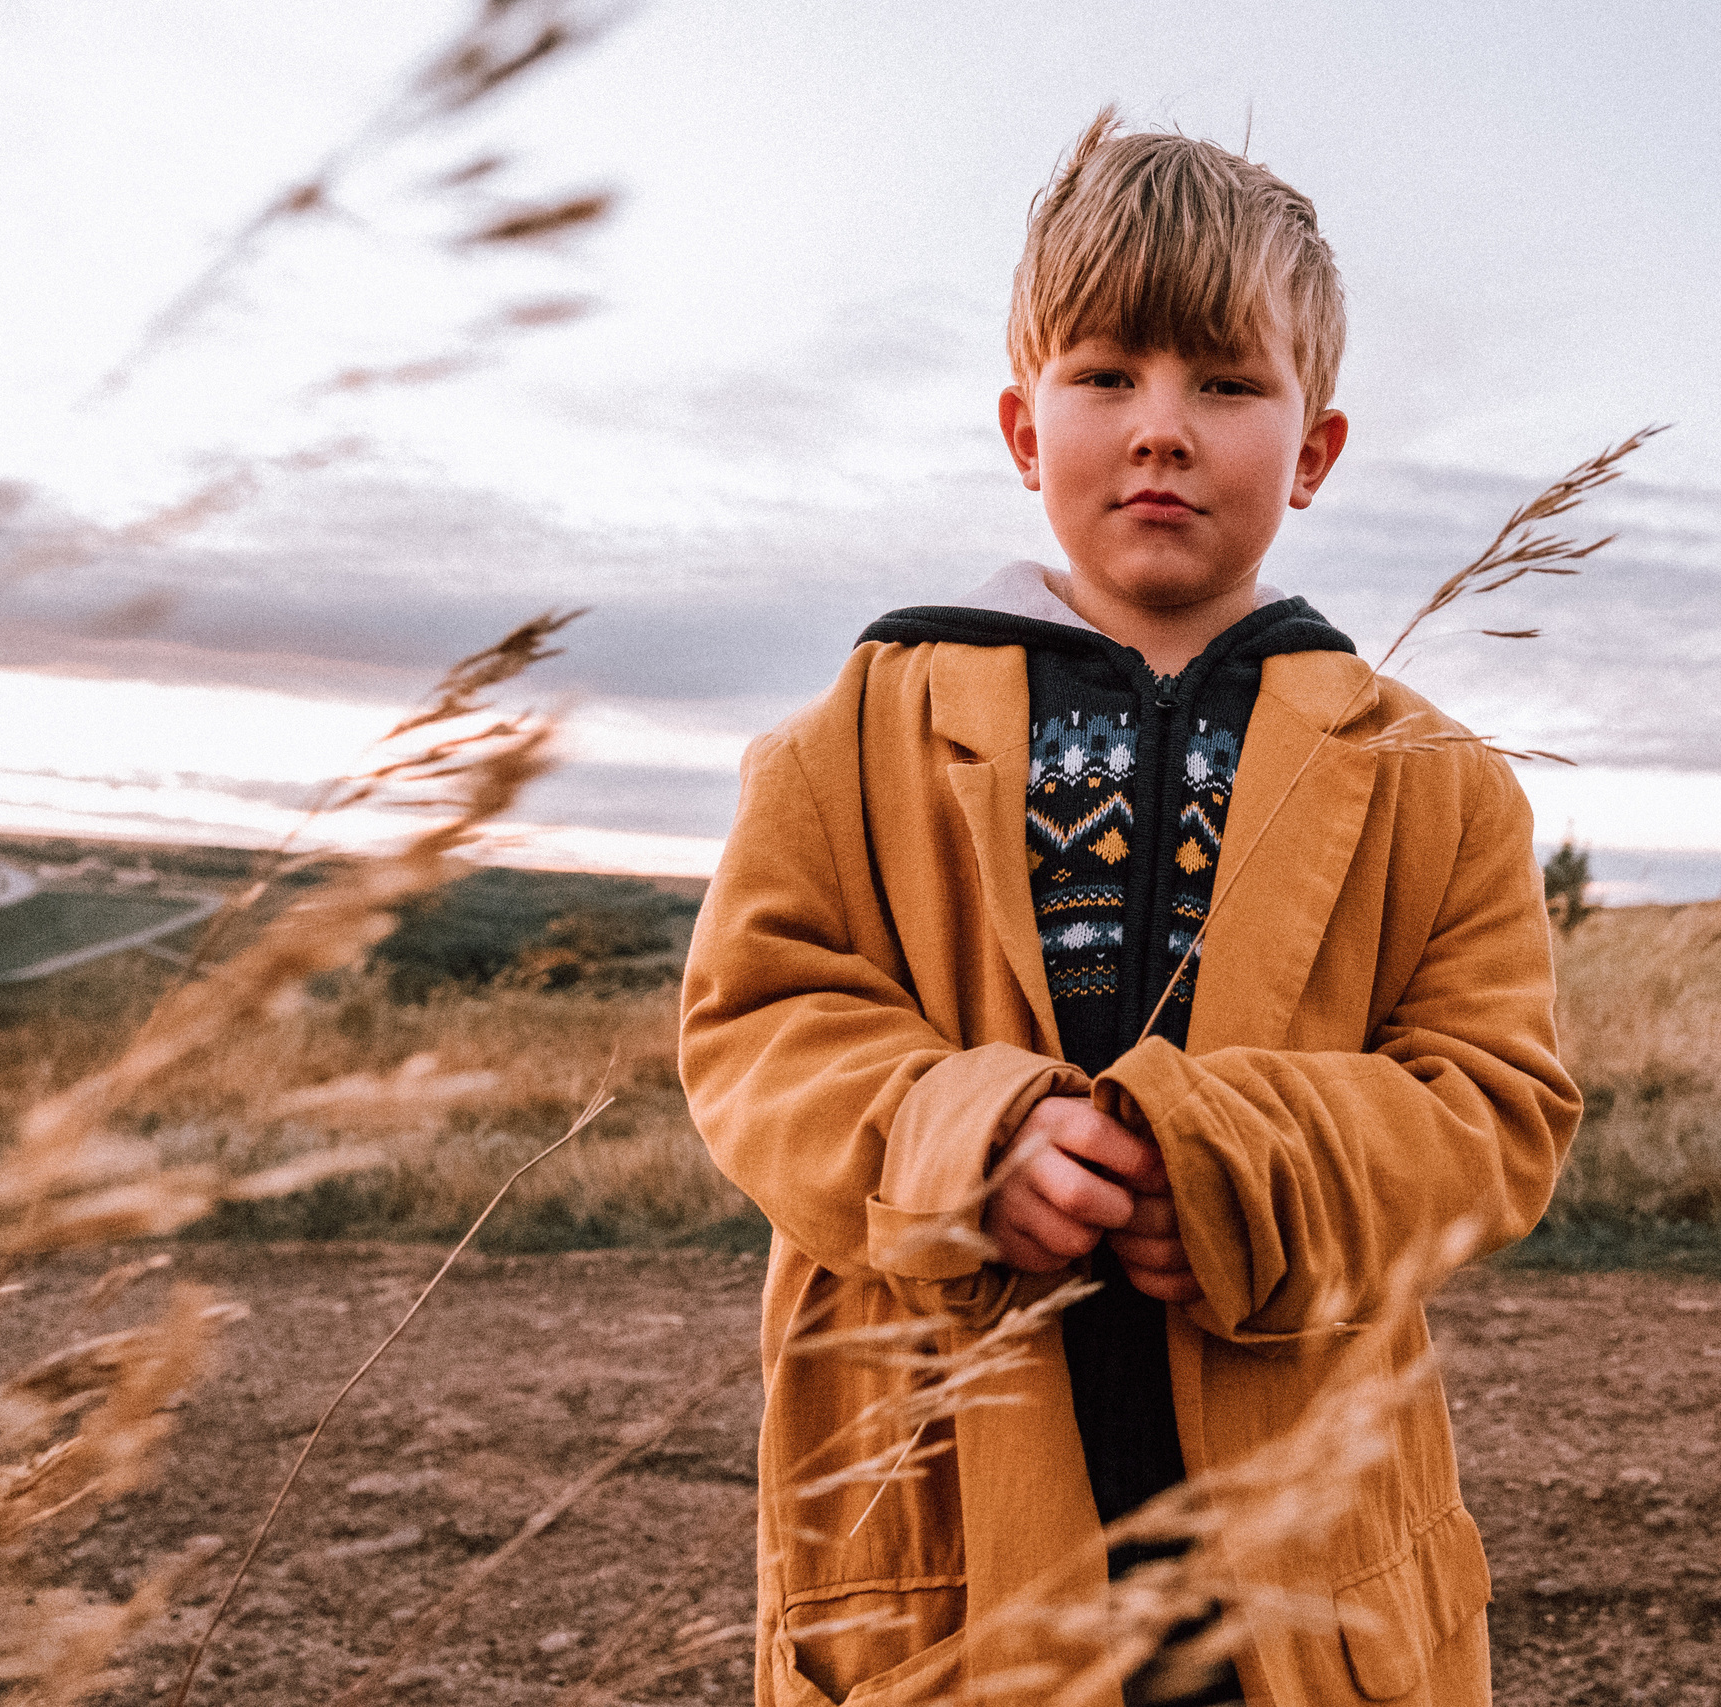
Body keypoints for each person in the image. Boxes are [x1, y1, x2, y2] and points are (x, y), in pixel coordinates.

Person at [680, 108, 1580, 1707]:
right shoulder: (854, 737)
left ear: (1314, 450)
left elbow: (1497, 1110)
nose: (1161, 427)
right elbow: (756, 1028)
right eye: (1108, 376)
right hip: (948, 1522)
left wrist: (1245, 1171)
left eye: (1226, 383)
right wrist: (965, 1144)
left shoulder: (1433, 779)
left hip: (1299, 1576)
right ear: (1027, 430)